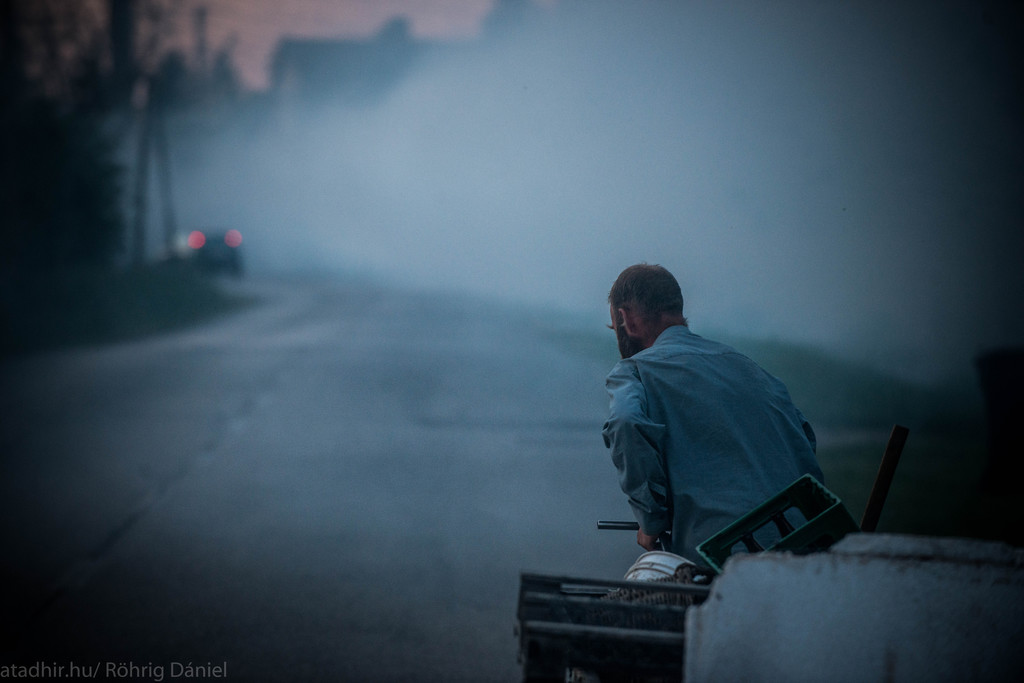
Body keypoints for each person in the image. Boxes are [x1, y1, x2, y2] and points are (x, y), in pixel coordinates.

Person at [602, 264, 824, 565]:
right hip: (811, 544)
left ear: (625, 319)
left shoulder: (635, 371)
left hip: (727, 558)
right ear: (676, 310)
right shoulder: (751, 369)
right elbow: (804, 440)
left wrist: (650, 521)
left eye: (615, 327)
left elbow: (626, 422)